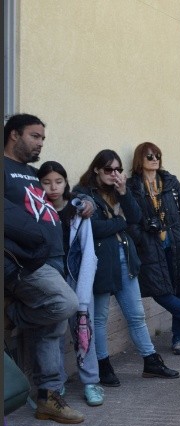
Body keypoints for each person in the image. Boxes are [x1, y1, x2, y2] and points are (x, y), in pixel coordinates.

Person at [4, 114, 91, 423]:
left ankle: (48, 397)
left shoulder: (30, 173)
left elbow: (55, 197)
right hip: (26, 263)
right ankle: (11, 315)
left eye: (42, 137)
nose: (40, 142)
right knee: (65, 304)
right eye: (35, 136)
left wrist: (82, 201)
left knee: (52, 329)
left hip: (54, 257)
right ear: (14, 135)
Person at [74, 149, 180, 388]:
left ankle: (151, 361)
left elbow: (136, 216)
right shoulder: (84, 194)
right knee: (99, 318)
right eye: (109, 169)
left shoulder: (119, 190)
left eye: (118, 169)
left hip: (126, 259)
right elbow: (95, 228)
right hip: (101, 263)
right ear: (96, 169)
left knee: (136, 314)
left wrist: (123, 192)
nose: (114, 174)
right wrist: (120, 221)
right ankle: (103, 365)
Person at [127, 142, 180, 356]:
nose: (155, 159)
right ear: (139, 159)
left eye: (157, 155)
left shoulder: (169, 181)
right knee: (159, 291)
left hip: (175, 241)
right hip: (150, 245)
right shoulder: (133, 186)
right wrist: (141, 237)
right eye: (150, 156)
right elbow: (130, 219)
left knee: (179, 288)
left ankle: (179, 338)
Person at [37, 161, 103, 407]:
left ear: (66, 183)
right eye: (46, 182)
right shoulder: (37, 210)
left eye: (58, 181)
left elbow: (88, 251)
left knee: (84, 331)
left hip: (77, 279)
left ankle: (91, 382)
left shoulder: (78, 210)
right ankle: (56, 384)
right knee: (51, 333)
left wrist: (83, 293)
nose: (53, 187)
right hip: (49, 281)